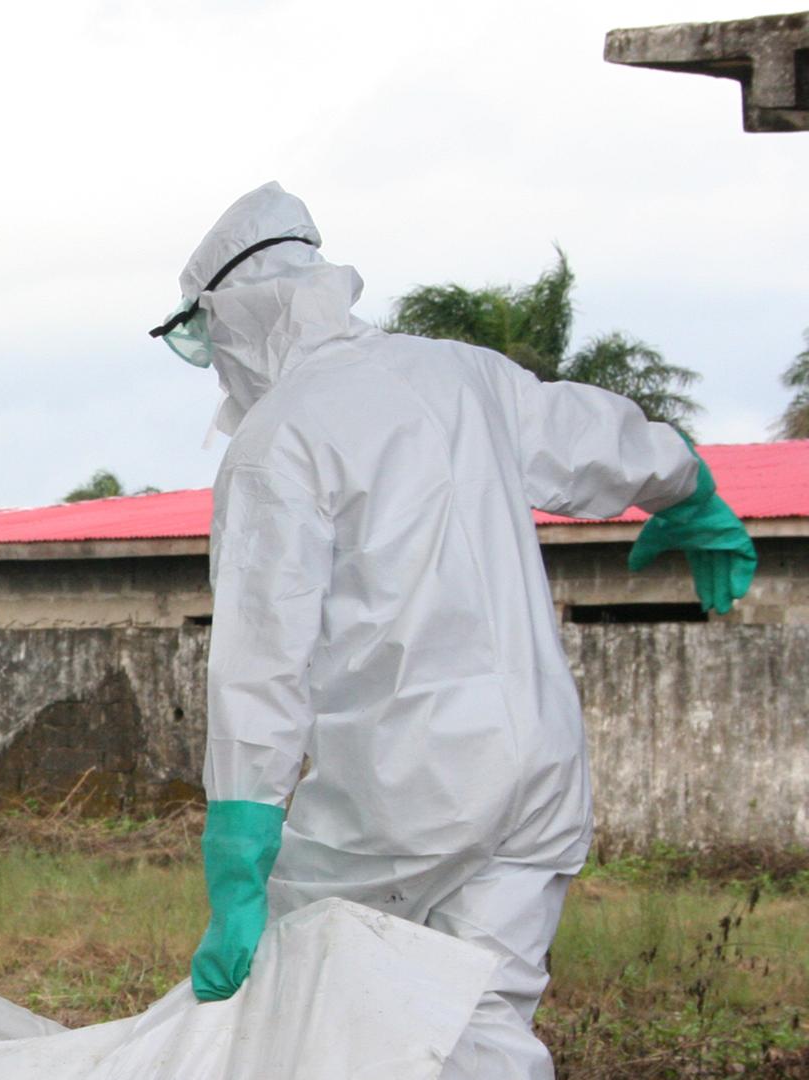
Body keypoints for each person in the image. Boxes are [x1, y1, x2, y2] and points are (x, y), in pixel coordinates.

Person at [152, 184, 755, 1077]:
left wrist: (240, 854)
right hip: (541, 767)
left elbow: (261, 665)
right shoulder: (460, 372)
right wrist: (691, 492)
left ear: (232, 320)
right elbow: (597, 435)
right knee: (487, 1019)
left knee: (308, 992)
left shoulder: (278, 440)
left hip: (407, 784)